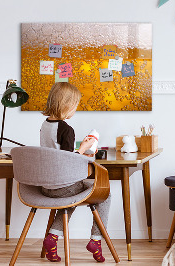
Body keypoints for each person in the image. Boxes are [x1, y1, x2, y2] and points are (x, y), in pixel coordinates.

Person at [40, 82, 110, 263]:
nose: (75, 110)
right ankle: (96, 240)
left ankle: (52, 238)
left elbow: (57, 154)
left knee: (70, 197)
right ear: (67, 105)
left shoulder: (45, 125)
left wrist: (80, 149)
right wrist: (85, 148)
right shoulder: (66, 129)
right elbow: (68, 161)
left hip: (46, 186)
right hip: (63, 186)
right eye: (75, 105)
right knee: (105, 194)